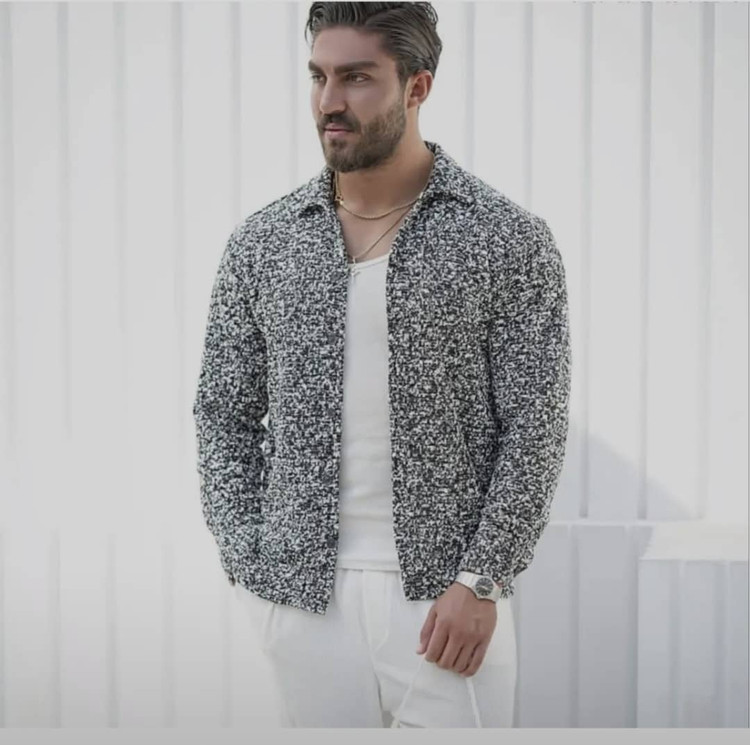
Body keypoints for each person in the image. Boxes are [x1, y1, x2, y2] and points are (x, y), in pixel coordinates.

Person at [192, 1, 571, 729]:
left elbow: (535, 424)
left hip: (445, 604)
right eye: (319, 76)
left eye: (357, 78)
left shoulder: (504, 239)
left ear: (416, 87)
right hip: (300, 603)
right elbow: (223, 412)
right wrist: (248, 563)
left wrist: (482, 579)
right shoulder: (264, 244)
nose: (329, 101)